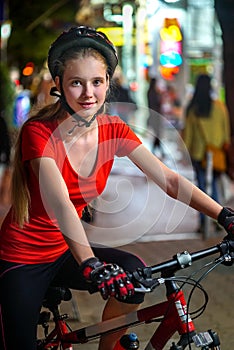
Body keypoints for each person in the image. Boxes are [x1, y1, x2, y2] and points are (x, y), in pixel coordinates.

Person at [0, 26, 234, 350]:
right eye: (76, 83)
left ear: (108, 83)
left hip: (66, 252)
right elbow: (61, 205)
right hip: (22, 258)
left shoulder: (114, 130)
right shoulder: (38, 132)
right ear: (58, 85)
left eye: (96, 82)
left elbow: (170, 180)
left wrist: (224, 216)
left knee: (135, 276)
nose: (88, 93)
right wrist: (91, 264)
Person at [183, 74, 231, 232]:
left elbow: (188, 135)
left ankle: (206, 221)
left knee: (202, 188)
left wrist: (187, 152)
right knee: (213, 186)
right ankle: (218, 219)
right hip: (216, 154)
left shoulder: (193, 109)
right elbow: (226, 133)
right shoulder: (220, 107)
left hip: (199, 154)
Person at [146, 77, 163, 154]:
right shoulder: (154, 93)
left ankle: (158, 149)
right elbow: (156, 103)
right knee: (157, 133)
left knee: (157, 133)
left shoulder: (150, 92)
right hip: (155, 115)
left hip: (153, 114)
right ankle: (158, 149)